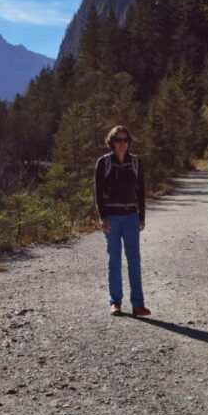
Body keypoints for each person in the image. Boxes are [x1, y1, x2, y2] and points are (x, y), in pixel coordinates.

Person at [94, 126, 151, 317]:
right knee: (114, 260)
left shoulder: (135, 162)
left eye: (125, 140)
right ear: (111, 142)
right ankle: (115, 302)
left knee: (134, 260)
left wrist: (141, 216)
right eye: (118, 140)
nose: (122, 144)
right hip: (111, 218)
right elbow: (98, 193)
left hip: (131, 216)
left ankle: (138, 304)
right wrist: (102, 217)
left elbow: (141, 191)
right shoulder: (104, 162)